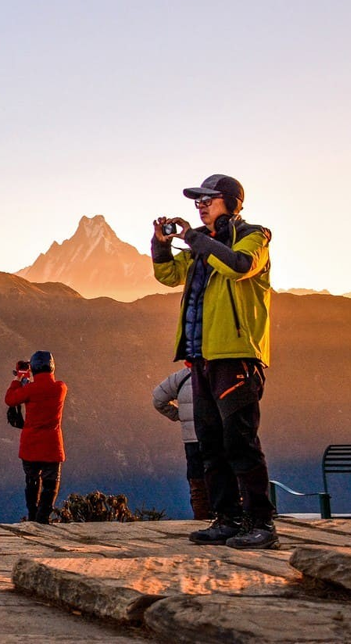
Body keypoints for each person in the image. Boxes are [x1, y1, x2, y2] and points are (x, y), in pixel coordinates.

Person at [153, 174, 276, 550]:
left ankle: (261, 522)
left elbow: (239, 265)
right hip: (201, 357)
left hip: (235, 354)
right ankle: (227, 519)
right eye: (198, 201)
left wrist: (195, 239)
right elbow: (167, 275)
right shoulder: (197, 252)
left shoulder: (254, 237)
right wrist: (161, 245)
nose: (201, 205)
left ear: (232, 202)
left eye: (209, 199)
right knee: (211, 441)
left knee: (239, 438)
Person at [5, 351, 67, 524]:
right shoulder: (60, 388)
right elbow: (45, 388)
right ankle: (43, 517)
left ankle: (33, 515)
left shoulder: (29, 389)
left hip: (30, 444)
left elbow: (10, 400)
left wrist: (19, 379)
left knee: (31, 480)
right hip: (52, 445)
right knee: (51, 481)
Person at [152, 364, 212, 520]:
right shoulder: (219, 374)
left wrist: (180, 415)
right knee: (222, 475)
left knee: (197, 479)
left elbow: (158, 400)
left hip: (191, 439)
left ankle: (201, 517)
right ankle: (227, 517)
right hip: (216, 437)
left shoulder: (181, 377)